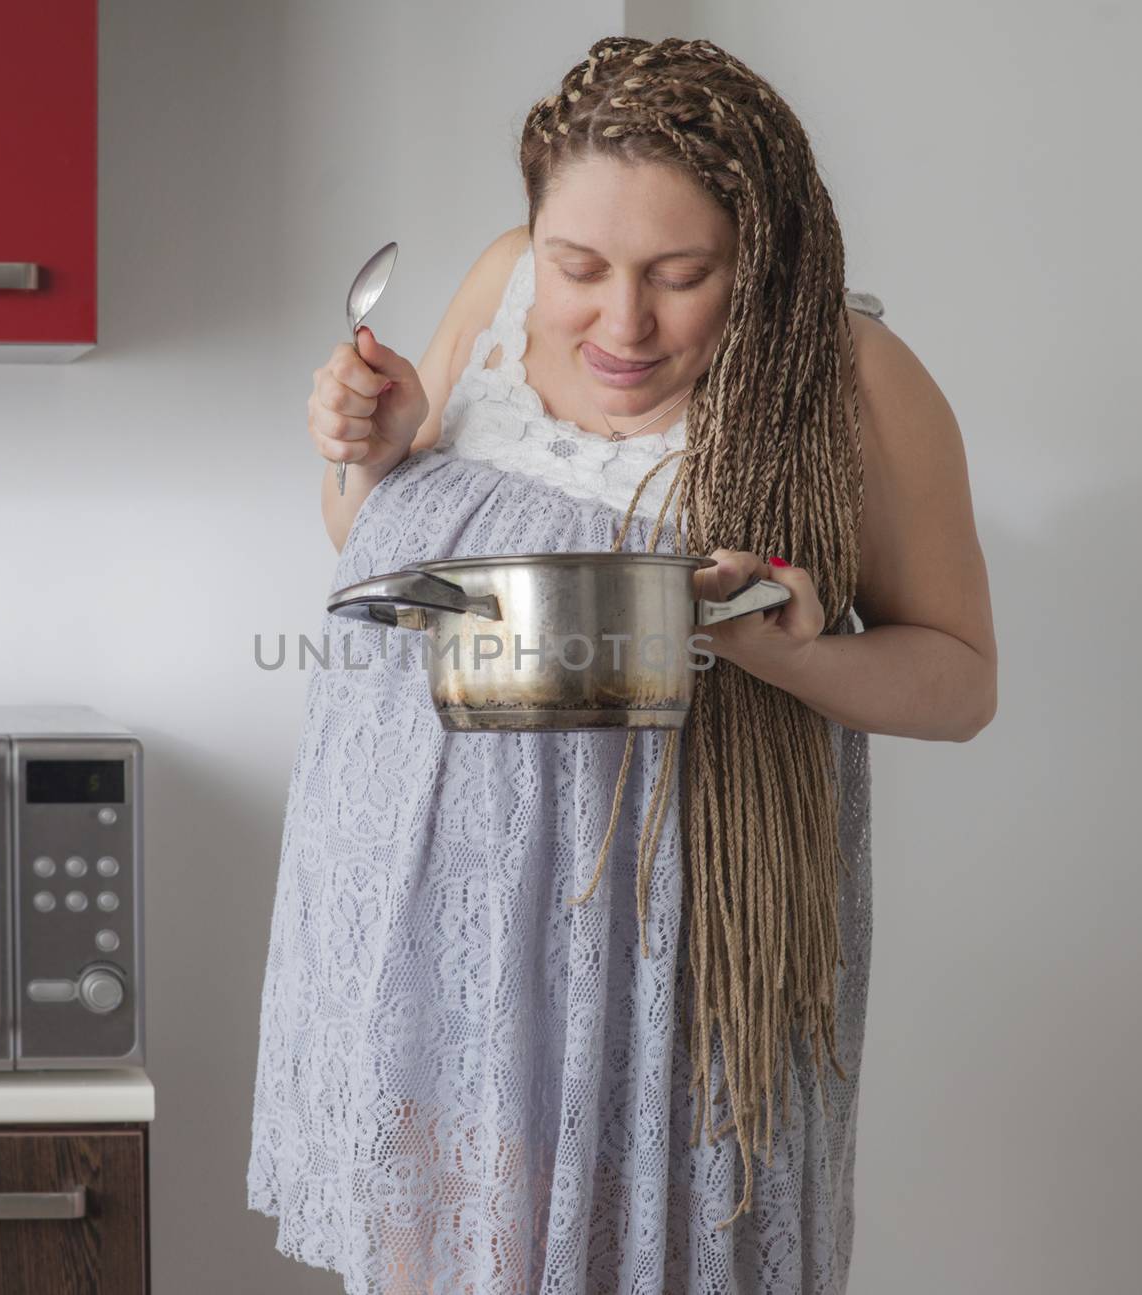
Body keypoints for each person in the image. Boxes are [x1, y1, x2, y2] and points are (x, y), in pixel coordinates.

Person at [250, 34, 997, 1295]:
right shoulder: (495, 290)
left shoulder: (854, 382)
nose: (621, 320)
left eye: (682, 273)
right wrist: (368, 461)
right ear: (532, 232)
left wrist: (790, 654)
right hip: (428, 919)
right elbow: (390, 563)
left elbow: (963, 679)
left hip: (658, 964)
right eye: (578, 266)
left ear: (760, 251)